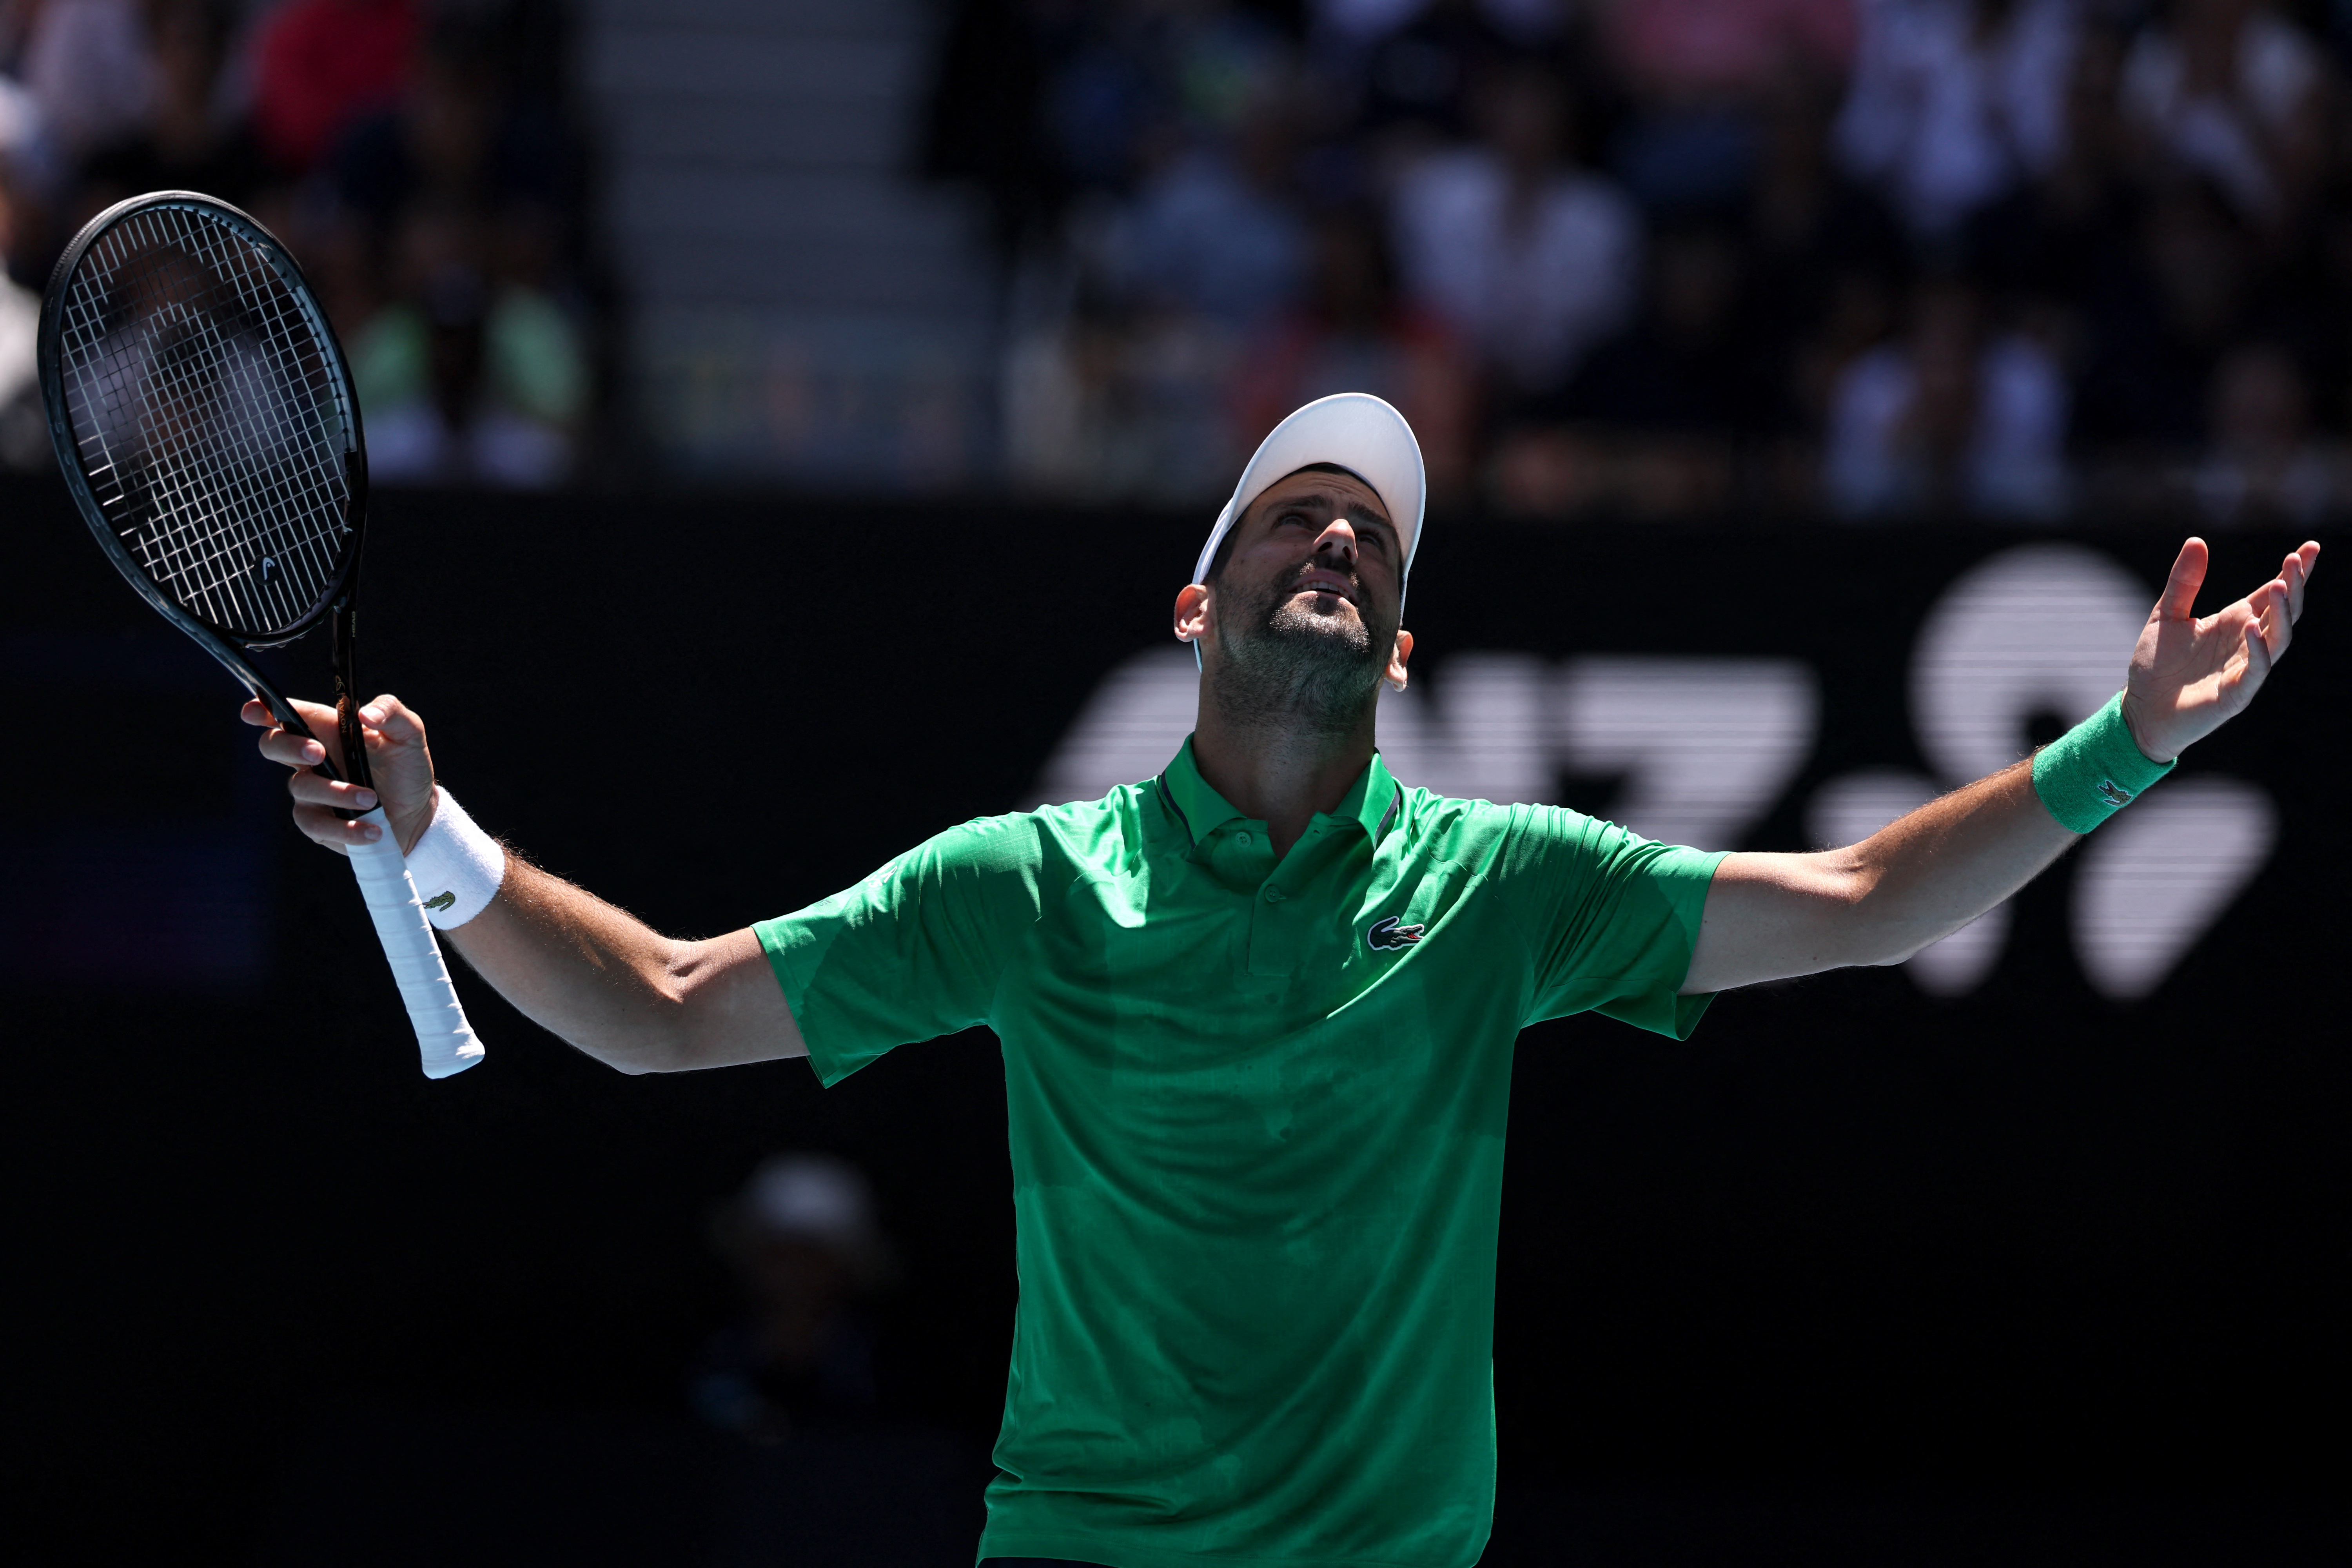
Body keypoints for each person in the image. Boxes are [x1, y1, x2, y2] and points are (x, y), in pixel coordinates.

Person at [247, 393, 2320, 1568]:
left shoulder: (1506, 889)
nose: (1339, 546)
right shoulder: (1027, 886)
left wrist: (2124, 744)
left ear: (1399, 647)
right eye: (1298, 521)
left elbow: (1864, 896)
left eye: (1375, 548)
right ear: (1198, 600)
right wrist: (433, 838)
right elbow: (665, 1004)